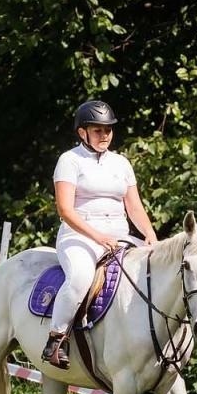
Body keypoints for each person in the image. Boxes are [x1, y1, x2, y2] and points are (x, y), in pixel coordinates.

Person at [42, 99, 159, 369]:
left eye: (108, 130)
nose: (104, 135)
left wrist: (150, 234)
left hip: (119, 235)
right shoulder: (69, 161)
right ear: (82, 132)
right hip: (79, 236)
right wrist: (98, 237)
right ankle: (56, 338)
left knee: (154, 271)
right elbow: (65, 210)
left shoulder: (121, 163)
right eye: (97, 130)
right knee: (81, 277)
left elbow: (134, 206)